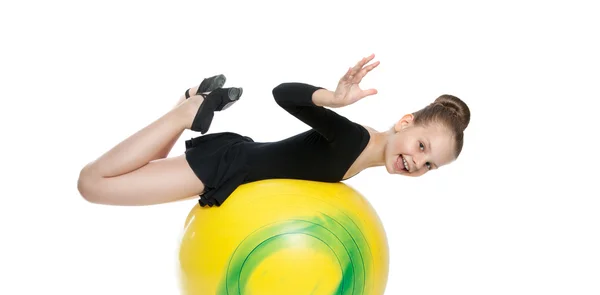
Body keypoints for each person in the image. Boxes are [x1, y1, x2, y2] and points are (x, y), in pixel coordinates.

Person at [77, 54, 470, 207]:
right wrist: (330, 98)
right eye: (422, 145)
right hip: (225, 167)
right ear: (405, 122)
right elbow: (283, 95)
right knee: (92, 184)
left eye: (429, 164)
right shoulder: (355, 139)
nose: (417, 162)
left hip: (236, 164)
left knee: (148, 165)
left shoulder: (363, 155)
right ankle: (188, 111)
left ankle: (189, 101)